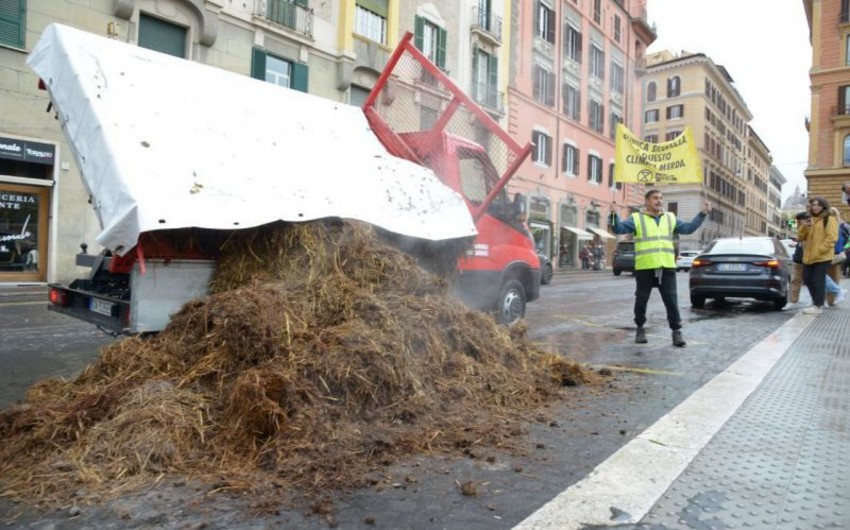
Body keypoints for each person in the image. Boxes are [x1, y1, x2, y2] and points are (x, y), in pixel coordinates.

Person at [609, 189, 710, 347]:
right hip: (645, 266)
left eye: (661, 198)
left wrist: (702, 213)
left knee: (671, 301)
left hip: (666, 266)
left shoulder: (670, 218)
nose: (659, 201)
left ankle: (676, 332)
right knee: (641, 300)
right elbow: (618, 229)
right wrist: (614, 215)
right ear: (647, 201)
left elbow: (689, 228)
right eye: (655, 198)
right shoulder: (637, 219)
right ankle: (640, 328)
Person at [798, 197, 838, 315]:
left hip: (822, 256)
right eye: (813, 205)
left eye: (818, 205)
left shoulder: (829, 218)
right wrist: (805, 226)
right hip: (809, 256)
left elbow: (832, 238)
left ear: (823, 206)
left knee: (818, 280)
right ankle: (816, 301)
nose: (815, 207)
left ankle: (817, 305)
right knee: (807, 279)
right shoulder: (810, 219)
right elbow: (801, 237)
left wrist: (820, 250)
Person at [825, 207, 849, 306]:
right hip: (837, 255)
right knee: (833, 278)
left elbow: (838, 241)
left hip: (833, 254)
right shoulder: (844, 225)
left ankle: (830, 300)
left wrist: (842, 248)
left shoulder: (838, 226)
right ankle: (831, 300)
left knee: (826, 277)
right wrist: (844, 248)